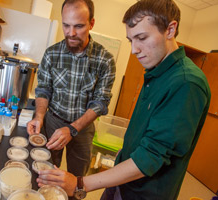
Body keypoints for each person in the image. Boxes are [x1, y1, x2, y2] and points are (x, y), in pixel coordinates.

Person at [36, 0, 211, 199]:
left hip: (144, 192)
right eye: (131, 40)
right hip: (124, 179)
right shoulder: (157, 73)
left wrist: (79, 183)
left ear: (170, 29)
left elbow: (152, 155)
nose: (134, 49)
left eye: (142, 38)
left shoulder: (186, 83)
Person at [27, 0, 116, 178]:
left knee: (77, 178)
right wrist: (39, 116)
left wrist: (73, 129)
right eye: (66, 25)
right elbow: (44, 89)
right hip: (53, 121)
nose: (71, 33)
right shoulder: (52, 54)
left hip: (83, 127)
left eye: (79, 26)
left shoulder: (105, 60)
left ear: (91, 23)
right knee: (46, 170)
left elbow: (101, 102)